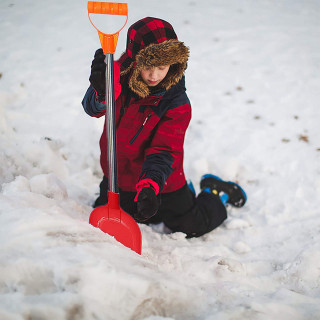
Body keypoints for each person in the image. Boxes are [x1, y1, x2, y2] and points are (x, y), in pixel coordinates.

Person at [82, 17, 247, 238]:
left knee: (190, 225)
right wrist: (101, 91)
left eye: (162, 67)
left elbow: (164, 150)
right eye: (148, 66)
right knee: (110, 218)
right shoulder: (115, 78)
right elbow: (92, 109)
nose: (154, 75)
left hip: (161, 180)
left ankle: (216, 192)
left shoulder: (176, 102)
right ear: (135, 60)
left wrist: (150, 185)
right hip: (117, 178)